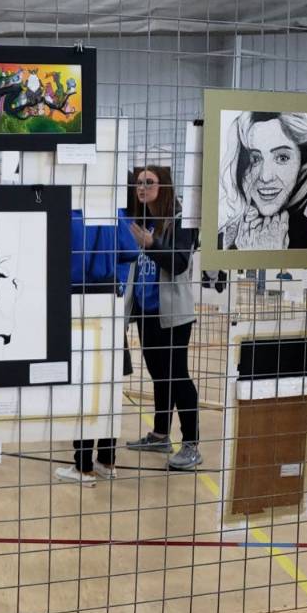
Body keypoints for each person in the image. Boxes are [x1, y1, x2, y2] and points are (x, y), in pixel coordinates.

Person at [125, 165, 202, 471]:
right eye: (139, 183)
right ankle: (160, 434)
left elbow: (180, 262)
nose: (142, 188)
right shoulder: (143, 218)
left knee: (178, 376)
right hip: (147, 311)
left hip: (173, 315)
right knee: (159, 376)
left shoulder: (180, 221)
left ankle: (192, 444)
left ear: (164, 185)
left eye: (149, 182)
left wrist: (151, 244)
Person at [54, 210, 138, 486]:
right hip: (108, 302)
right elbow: (131, 251)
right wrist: (117, 283)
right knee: (109, 386)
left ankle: (83, 466)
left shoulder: (68, 213)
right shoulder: (115, 211)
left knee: (83, 388)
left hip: (76, 299)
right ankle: (107, 460)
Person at [218, 111, 307, 252]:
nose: (265, 177)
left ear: (303, 163)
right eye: (255, 159)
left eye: (282, 158)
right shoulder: (221, 238)